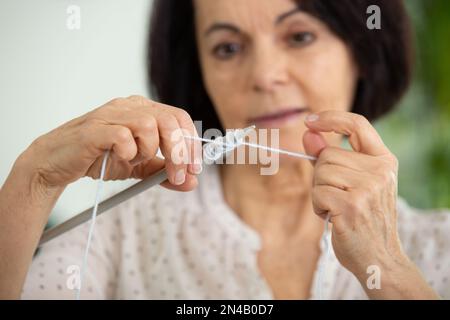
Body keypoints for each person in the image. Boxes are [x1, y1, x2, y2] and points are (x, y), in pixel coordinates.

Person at [1, 0, 449, 300]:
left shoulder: (436, 250)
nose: (265, 75)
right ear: (199, 72)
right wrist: (34, 179)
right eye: (228, 47)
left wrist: (388, 270)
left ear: (362, 48)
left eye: (299, 37)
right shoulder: (122, 231)